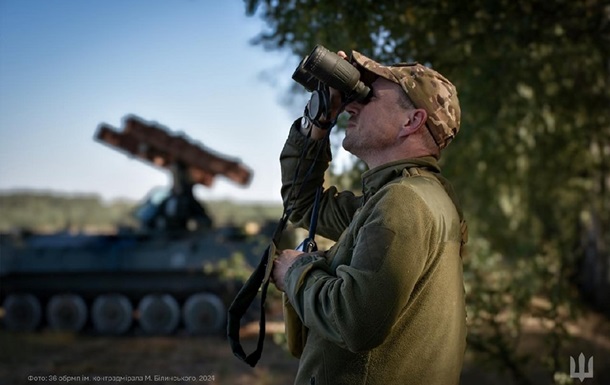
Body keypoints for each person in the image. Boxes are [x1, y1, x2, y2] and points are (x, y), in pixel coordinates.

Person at [271, 49, 468, 385]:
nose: (350, 106)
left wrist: (294, 271)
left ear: (412, 121)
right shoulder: (415, 196)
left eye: (369, 97)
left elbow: (354, 321)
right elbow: (303, 203)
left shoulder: (404, 201)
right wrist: (317, 122)